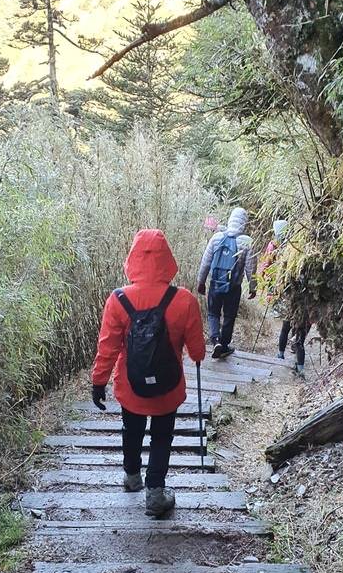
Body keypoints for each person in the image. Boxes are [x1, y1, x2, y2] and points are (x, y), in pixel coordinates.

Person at [91, 229, 206, 518]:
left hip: (131, 387)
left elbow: (107, 347)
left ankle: (132, 477)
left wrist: (98, 381)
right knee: (162, 436)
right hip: (168, 386)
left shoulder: (117, 300)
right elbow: (197, 352)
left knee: (131, 429)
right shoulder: (185, 300)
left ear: (133, 259)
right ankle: (155, 493)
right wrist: (196, 353)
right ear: (168, 259)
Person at [196, 206, 257, 358]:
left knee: (212, 313)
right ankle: (224, 345)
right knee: (229, 316)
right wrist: (252, 287)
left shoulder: (216, 237)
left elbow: (206, 262)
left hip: (215, 284)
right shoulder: (247, 242)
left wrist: (201, 282)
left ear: (230, 220)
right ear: (244, 223)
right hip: (233, 287)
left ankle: (215, 339)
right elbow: (251, 268)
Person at [259, 219, 309, 377]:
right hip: (296, 295)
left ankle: (280, 354)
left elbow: (266, 266)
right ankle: (298, 363)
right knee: (297, 328)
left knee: (285, 327)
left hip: (282, 292)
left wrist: (266, 283)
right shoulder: (294, 245)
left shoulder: (273, 244)